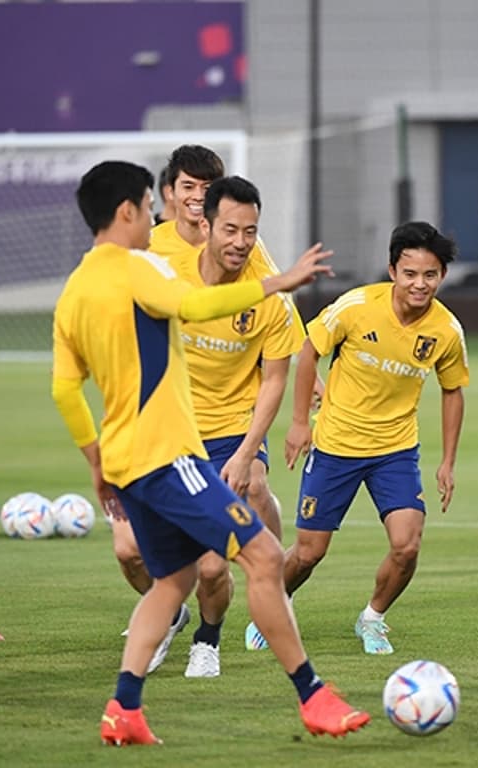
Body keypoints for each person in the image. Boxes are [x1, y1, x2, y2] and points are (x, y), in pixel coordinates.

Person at [51, 160, 369, 744]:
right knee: (268, 559)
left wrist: (97, 463)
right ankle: (313, 696)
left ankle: (125, 708)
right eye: (151, 205)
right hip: (167, 457)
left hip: (125, 461)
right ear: (126, 211)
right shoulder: (138, 267)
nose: (160, 216)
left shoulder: (74, 290)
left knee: (171, 582)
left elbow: (64, 390)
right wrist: (279, 282)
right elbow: (195, 307)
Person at [244, 221, 469, 656]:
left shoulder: (446, 331)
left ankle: (373, 618)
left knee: (407, 546)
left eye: (430, 275)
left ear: (441, 276)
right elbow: (308, 349)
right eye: (410, 273)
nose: (420, 284)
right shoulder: (356, 306)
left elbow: (453, 390)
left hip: (395, 451)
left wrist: (447, 461)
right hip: (335, 448)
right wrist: (298, 423)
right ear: (392, 271)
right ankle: (273, 606)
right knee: (309, 554)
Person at [110, 145, 296, 674]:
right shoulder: (157, 258)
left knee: (217, 561)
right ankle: (170, 610)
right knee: (128, 551)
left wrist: (249, 449)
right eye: (186, 188)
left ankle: (208, 640)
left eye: (249, 231)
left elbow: (278, 364)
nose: (239, 240)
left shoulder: (263, 278)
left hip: (229, 427)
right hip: (162, 428)